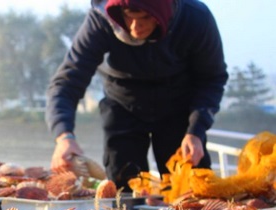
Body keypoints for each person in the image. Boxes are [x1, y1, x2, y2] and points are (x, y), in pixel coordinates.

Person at [45, 0, 228, 191]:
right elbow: (67, 82)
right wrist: (64, 135)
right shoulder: (101, 19)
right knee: (124, 187)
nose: (135, 27)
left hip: (179, 106)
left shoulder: (196, 18)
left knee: (191, 189)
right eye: (128, 17)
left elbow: (212, 79)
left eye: (145, 18)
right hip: (122, 103)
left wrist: (196, 131)